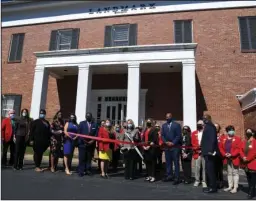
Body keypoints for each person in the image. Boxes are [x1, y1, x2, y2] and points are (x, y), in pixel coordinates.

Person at [219, 125, 241, 193]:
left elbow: (239, 148)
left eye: (232, 129)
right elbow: (221, 148)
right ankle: (230, 186)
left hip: (234, 158)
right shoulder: (224, 139)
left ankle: (235, 187)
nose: (232, 131)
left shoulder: (237, 138)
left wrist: (232, 154)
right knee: (229, 173)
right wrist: (225, 154)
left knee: (235, 173)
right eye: (230, 130)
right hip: (227, 158)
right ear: (227, 131)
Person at [161, 113, 182, 185]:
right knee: (168, 162)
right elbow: (162, 135)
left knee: (176, 163)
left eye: (168, 117)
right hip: (167, 147)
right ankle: (169, 175)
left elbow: (178, 135)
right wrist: (166, 142)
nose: (167, 118)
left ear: (171, 117)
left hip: (175, 147)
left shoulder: (176, 125)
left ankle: (177, 178)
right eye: (166, 117)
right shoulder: (164, 126)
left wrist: (173, 143)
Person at [201, 114, 219, 193]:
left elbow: (212, 140)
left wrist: (210, 151)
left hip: (209, 153)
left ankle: (213, 187)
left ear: (209, 118)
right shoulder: (207, 126)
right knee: (208, 170)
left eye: (205, 118)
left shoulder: (211, 127)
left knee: (210, 170)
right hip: (206, 152)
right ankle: (210, 185)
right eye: (203, 118)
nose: (204, 119)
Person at [77, 112, 98, 177]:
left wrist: (92, 141)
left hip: (91, 145)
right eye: (87, 116)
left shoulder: (95, 124)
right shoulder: (81, 123)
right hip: (82, 144)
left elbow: (96, 134)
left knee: (89, 158)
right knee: (82, 158)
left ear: (91, 117)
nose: (88, 117)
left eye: (89, 116)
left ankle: (88, 170)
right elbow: (79, 133)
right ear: (85, 117)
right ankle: (81, 171)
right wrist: (85, 141)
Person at [240, 128, 256, 199]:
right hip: (245, 164)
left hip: (252, 163)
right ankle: (250, 190)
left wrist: (248, 159)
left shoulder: (255, 142)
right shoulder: (244, 141)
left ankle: (251, 193)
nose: (247, 132)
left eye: (249, 131)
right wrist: (243, 157)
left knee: (253, 179)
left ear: (253, 133)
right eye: (247, 131)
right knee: (248, 179)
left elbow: (254, 152)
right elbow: (240, 150)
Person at [191, 120, 207, 188]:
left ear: (203, 125)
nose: (199, 125)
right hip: (197, 152)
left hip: (204, 152)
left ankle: (204, 181)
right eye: (198, 124)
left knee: (204, 167)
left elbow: (207, 142)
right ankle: (197, 180)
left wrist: (203, 149)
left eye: (200, 124)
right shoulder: (194, 133)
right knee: (197, 167)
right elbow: (192, 142)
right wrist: (197, 149)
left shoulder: (206, 132)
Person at [214, 123, 225, 189]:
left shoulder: (222, 136)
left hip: (219, 155)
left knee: (219, 170)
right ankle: (214, 182)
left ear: (219, 128)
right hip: (213, 154)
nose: (216, 128)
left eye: (217, 127)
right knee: (213, 170)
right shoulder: (212, 135)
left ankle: (220, 182)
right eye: (214, 127)